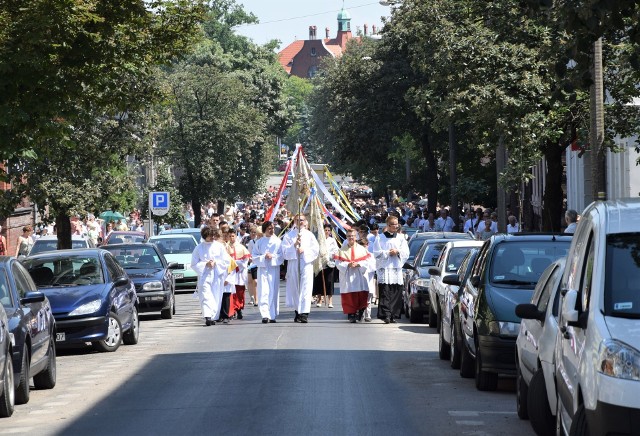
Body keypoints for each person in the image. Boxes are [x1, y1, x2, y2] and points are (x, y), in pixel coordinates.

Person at [282, 214, 319, 323]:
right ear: (294, 221)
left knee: (306, 287)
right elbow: (284, 251)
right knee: (295, 287)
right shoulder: (289, 236)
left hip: (306, 262)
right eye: (297, 220)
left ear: (305, 221)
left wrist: (305, 251)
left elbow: (315, 249)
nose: (300, 222)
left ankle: (304, 313)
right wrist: (294, 246)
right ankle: (297, 310)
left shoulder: (309, 235)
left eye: (302, 220)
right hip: (294, 262)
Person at [191, 227, 231, 326]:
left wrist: (216, 263)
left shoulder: (219, 246)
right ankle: (207, 316)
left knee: (216, 295)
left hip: (217, 275)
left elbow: (226, 261)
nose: (212, 237)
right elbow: (194, 264)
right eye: (210, 236)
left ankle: (213, 316)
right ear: (205, 236)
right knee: (206, 295)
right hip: (205, 275)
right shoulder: (199, 248)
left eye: (213, 235)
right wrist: (205, 264)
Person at [373, 215, 409, 323]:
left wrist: (397, 252)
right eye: (393, 224)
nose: (395, 226)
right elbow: (376, 253)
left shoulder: (401, 238)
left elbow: (406, 252)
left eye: (396, 224)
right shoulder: (380, 238)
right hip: (385, 268)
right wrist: (388, 252)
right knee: (385, 292)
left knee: (395, 292)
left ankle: (393, 314)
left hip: (395, 268)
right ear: (388, 225)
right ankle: (386, 314)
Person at [335, 228, 371, 323]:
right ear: (346, 237)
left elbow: (367, 261)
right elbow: (338, 263)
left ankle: (359, 312)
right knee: (349, 294)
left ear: (356, 237)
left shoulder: (362, 249)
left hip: (358, 274)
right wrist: (347, 264)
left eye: (352, 236)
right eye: (349, 236)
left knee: (360, 293)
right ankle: (351, 313)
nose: (351, 238)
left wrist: (359, 264)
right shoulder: (341, 250)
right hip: (347, 274)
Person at [251, 221, 283, 323]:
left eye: (272, 228)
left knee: (273, 291)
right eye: (269, 228)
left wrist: (272, 257)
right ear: (265, 230)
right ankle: (265, 314)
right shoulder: (260, 242)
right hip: (263, 269)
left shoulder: (277, 241)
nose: (271, 230)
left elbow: (281, 255)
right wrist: (264, 256)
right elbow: (254, 256)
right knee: (264, 291)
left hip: (273, 268)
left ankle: (272, 314)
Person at [313, 224, 339, 308]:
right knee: (319, 281)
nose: (327, 232)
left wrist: (328, 255)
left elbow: (335, 250)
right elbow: (316, 249)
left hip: (329, 262)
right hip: (320, 263)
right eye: (325, 230)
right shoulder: (319, 239)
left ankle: (330, 301)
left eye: (328, 230)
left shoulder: (332, 240)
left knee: (329, 281)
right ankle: (319, 299)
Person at [227, 228, 250, 320]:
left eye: (233, 236)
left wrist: (238, 264)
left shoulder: (241, 247)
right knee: (232, 292)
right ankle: (232, 310)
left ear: (235, 236)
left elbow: (246, 260)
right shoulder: (226, 247)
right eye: (230, 236)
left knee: (239, 291)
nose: (231, 238)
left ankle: (239, 309)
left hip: (239, 272)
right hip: (231, 272)